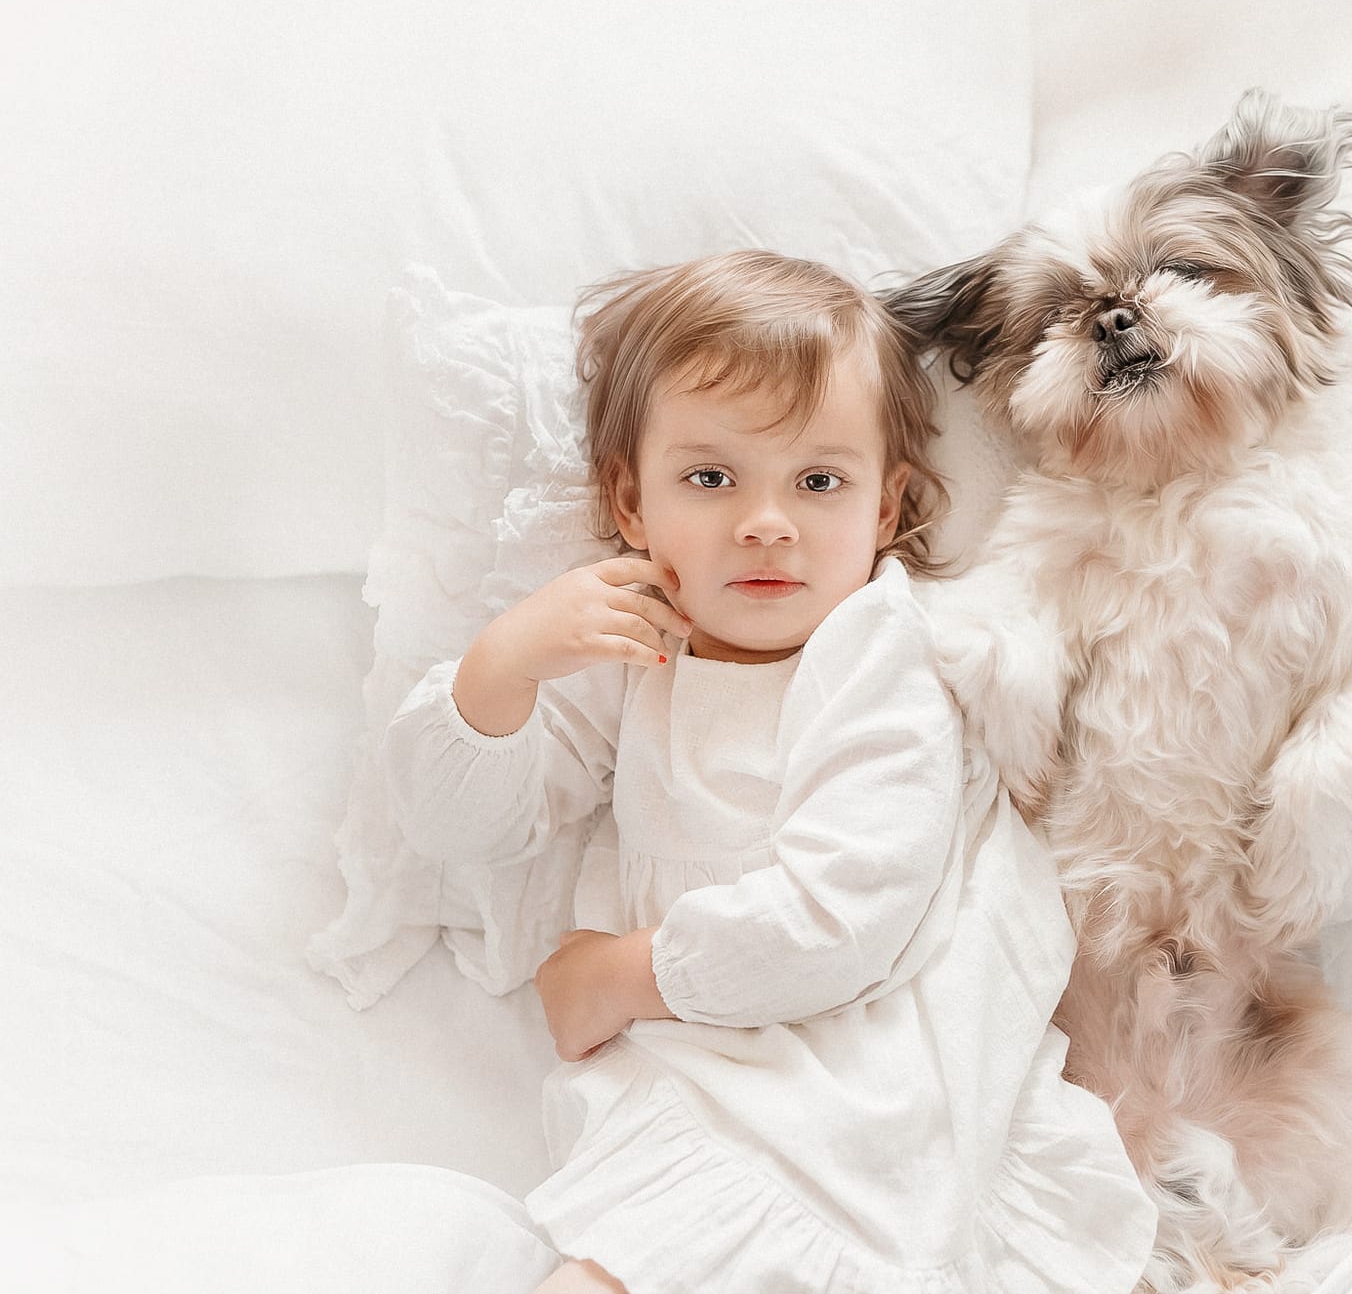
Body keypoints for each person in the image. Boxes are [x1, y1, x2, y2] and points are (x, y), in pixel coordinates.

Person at [379, 251, 1155, 1294]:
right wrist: (503, 666)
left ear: (885, 511)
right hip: (707, 1074)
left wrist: (616, 976)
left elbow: (842, 917)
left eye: (819, 482)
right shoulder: (636, 647)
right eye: (708, 478)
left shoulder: (883, 659)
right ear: (631, 503)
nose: (765, 523)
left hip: (871, 1079)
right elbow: (458, 828)